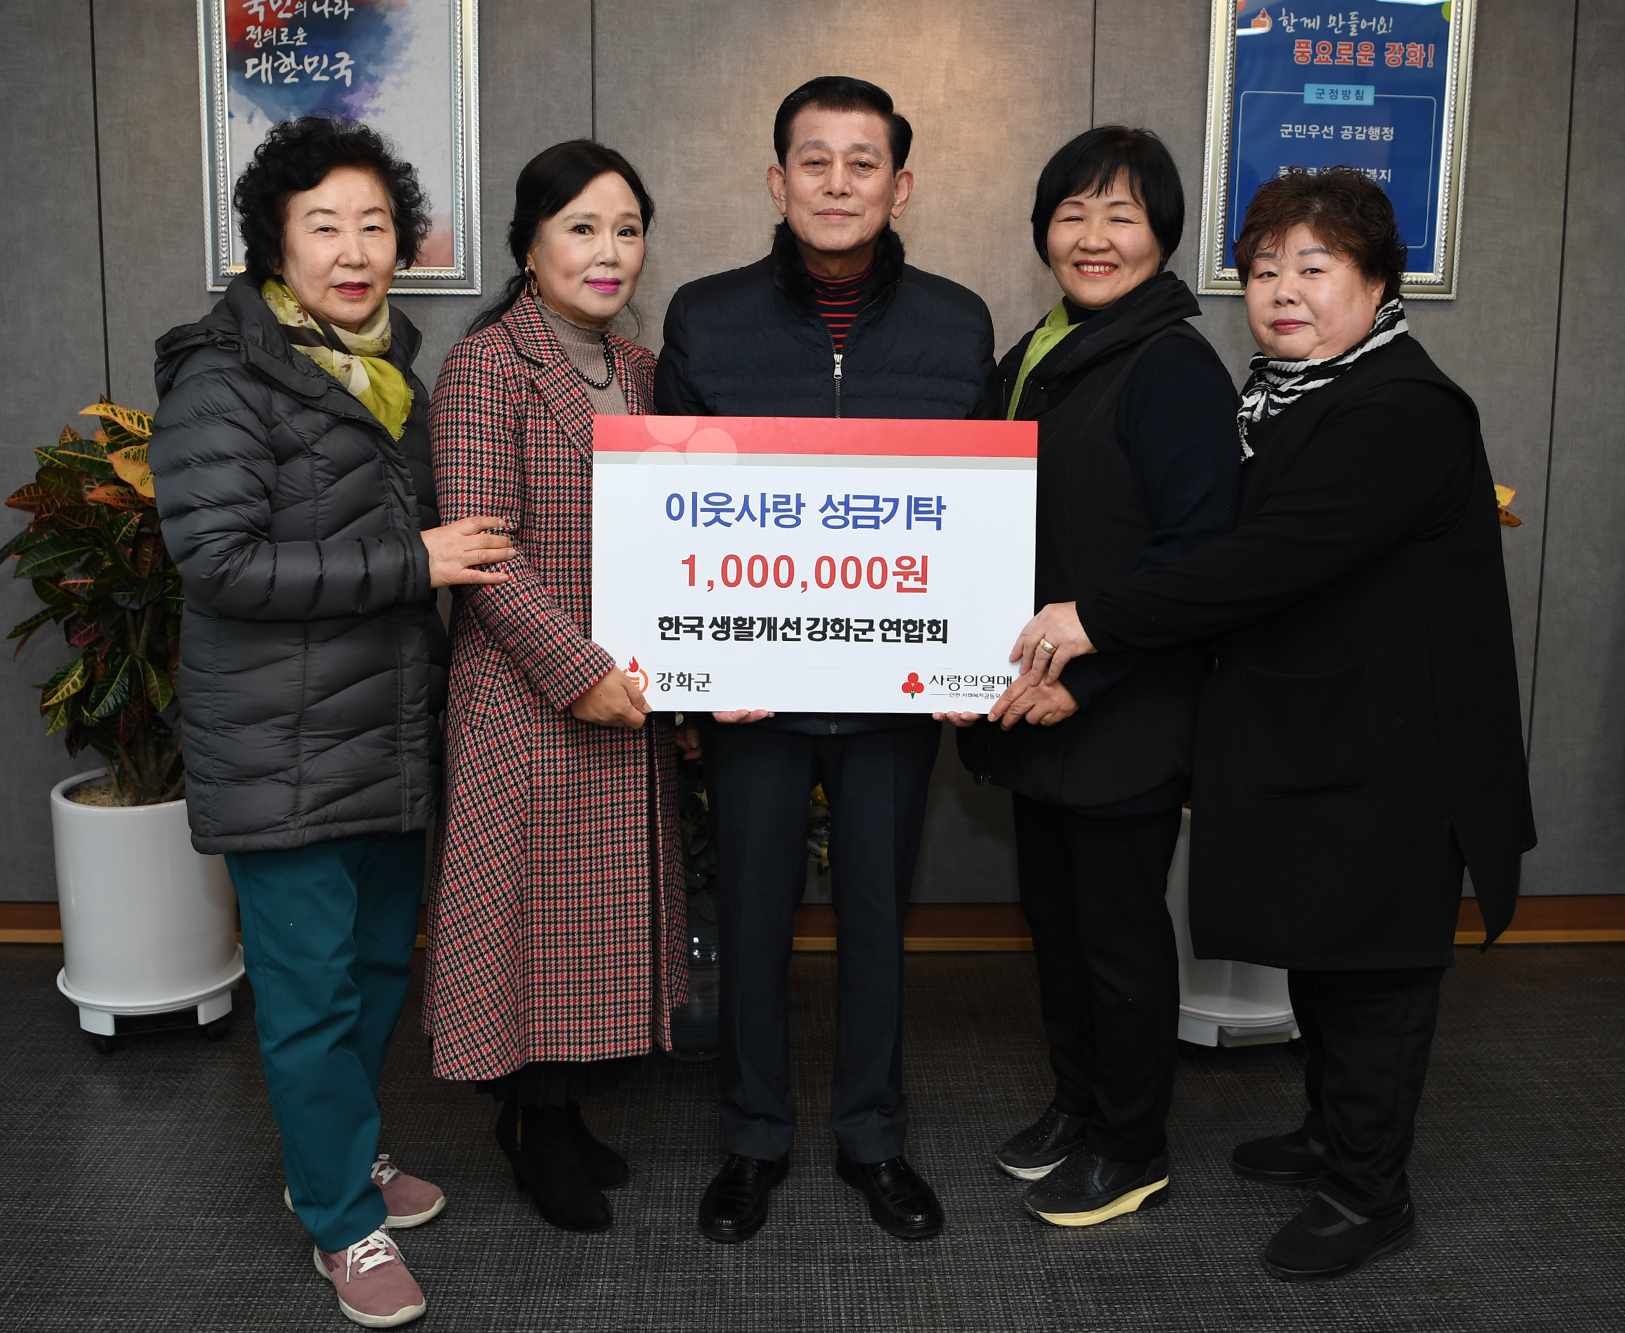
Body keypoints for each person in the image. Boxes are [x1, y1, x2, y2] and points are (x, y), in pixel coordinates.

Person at [1005, 167, 1535, 1281]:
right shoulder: (1282, 398)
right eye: (1261, 270)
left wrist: (1093, 620)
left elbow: (1259, 562)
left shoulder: (1401, 407)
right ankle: (1331, 1134)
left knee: (1375, 972)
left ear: (1378, 283)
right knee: (1323, 955)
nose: (1283, 291)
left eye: (1314, 267)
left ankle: (1368, 1191)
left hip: (1399, 754)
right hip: (1319, 738)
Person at [152, 117, 518, 1329]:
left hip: (385, 734)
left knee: (369, 975)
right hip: (279, 749)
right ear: (274, 243)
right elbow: (219, 563)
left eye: (374, 226)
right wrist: (413, 560)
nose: (354, 250)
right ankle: (338, 1223)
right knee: (308, 996)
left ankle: (342, 1154)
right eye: (325, 227)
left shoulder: (389, 367)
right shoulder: (223, 375)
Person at [656, 76, 996, 1244]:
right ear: (776, 180)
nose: (838, 183)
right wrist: (690, 681)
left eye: (863, 163)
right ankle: (752, 1140)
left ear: (900, 185)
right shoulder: (705, 317)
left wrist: (964, 655)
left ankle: (872, 1138)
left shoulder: (957, 322)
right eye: (815, 160)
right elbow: (672, 509)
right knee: (752, 916)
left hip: (893, 690)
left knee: (877, 919)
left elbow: (975, 513)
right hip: (751, 691)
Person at [938, 127, 1239, 1228]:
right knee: (1058, 931)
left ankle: (1131, 1142)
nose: (1093, 236)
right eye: (1072, 213)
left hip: (1118, 711)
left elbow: (1199, 558)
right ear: (1042, 231)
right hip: (1035, 709)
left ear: (1163, 235)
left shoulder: (1172, 366)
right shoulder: (1040, 352)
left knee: (1117, 944)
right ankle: (1079, 1104)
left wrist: (1089, 680)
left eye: (1122, 215)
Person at [422, 140, 686, 1236]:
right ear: (529, 246)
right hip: (526, 700)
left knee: (594, 935)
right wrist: (579, 675)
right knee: (530, 932)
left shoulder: (644, 371)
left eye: (627, 228)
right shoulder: (487, 366)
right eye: (581, 227)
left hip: (627, 698)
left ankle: (563, 1116)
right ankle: (531, 1127)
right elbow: (485, 556)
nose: (608, 250)